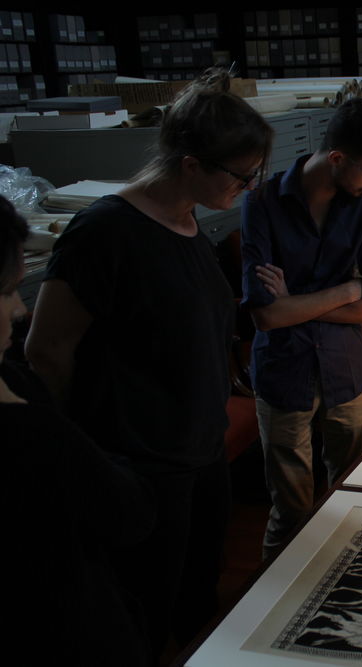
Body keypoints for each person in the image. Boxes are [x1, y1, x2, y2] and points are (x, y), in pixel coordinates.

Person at [25, 69, 273, 657]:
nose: (250, 187)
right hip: (142, 459)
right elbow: (47, 349)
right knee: (145, 605)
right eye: (241, 176)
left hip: (199, 446)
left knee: (197, 594)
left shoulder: (188, 221)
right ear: (191, 164)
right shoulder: (105, 230)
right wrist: (86, 451)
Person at [241, 98, 362, 559]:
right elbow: (266, 315)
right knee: (289, 510)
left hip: (346, 368)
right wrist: (345, 290)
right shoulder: (262, 202)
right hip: (283, 370)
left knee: (351, 496)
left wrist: (298, 301)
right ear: (336, 158)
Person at [2, 196, 155, 667]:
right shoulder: (27, 427)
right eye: (6, 291)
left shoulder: (18, 382)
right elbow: (127, 512)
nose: (18, 310)